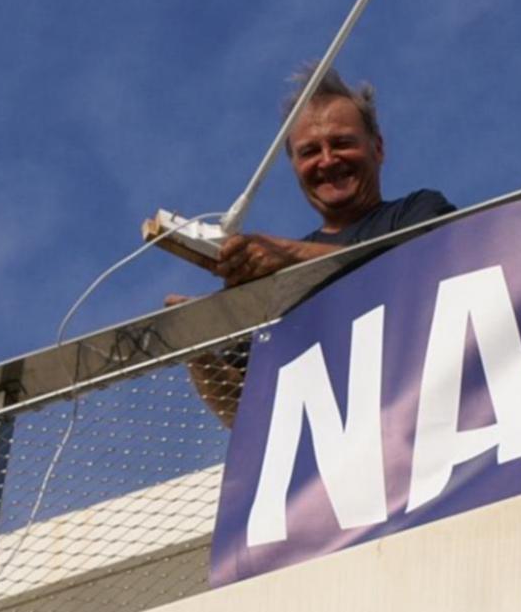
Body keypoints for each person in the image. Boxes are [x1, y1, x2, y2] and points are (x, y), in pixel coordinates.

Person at [176, 67, 456, 424]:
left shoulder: (420, 210)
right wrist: (193, 345)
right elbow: (240, 410)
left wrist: (292, 258)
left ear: (378, 148)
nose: (327, 160)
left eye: (341, 143)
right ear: (294, 166)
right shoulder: (273, 273)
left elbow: (427, 270)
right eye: (310, 151)